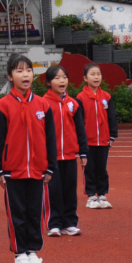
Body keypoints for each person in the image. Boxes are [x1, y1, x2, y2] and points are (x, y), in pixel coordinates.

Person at [0, 54, 56, 263]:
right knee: (17, 212)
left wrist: (50, 166)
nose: (25, 74)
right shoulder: (3, 105)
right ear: (10, 76)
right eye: (19, 71)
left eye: (28, 70)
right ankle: (20, 254)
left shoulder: (43, 105)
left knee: (35, 212)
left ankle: (33, 251)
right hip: (12, 171)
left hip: (37, 170)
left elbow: (50, 138)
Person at [43, 65, 87, 238]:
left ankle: (69, 222)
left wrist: (83, 152)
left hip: (69, 154)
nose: (62, 81)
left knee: (69, 189)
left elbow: (80, 129)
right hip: (51, 157)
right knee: (53, 190)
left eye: (64, 77)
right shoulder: (43, 103)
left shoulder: (73, 103)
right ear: (48, 82)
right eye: (57, 78)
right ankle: (53, 223)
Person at [79, 63, 117, 209]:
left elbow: (111, 117)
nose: (96, 77)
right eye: (92, 74)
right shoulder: (81, 97)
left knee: (102, 168)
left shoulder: (106, 96)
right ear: (85, 78)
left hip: (103, 140)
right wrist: (80, 140)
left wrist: (112, 136)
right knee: (89, 168)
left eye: (98, 74)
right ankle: (91, 196)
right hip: (88, 141)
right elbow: (79, 121)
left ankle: (102, 194)